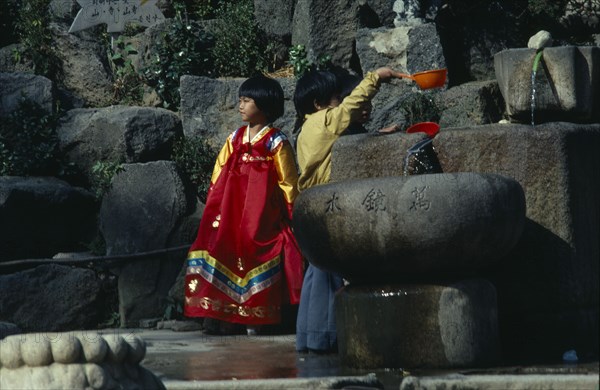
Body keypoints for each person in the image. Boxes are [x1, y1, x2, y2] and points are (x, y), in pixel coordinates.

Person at [293, 66, 405, 352]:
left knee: (317, 273)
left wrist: (378, 134)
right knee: (328, 273)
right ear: (319, 104)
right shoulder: (323, 121)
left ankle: (308, 337)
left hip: (310, 205)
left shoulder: (310, 126)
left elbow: (340, 145)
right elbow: (352, 106)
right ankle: (325, 338)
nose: (339, 103)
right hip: (325, 206)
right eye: (334, 99)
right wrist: (376, 77)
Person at [184, 74, 304, 336]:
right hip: (230, 211)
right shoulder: (235, 138)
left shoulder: (276, 142)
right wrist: (214, 205)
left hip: (260, 213)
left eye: (246, 100)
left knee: (255, 252)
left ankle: (256, 315)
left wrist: (291, 212)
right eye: (240, 100)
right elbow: (218, 172)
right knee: (219, 250)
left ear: (263, 105)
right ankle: (222, 314)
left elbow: (288, 182)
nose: (241, 105)